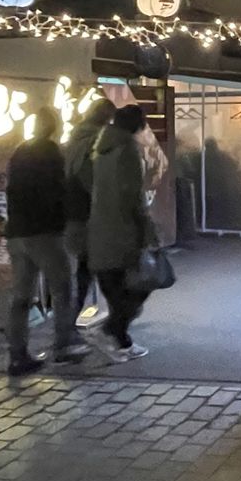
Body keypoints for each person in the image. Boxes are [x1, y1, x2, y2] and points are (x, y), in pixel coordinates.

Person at [4, 107, 89, 376]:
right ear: (54, 126)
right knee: (63, 288)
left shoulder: (19, 152)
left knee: (21, 297)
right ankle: (63, 346)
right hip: (45, 233)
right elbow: (59, 191)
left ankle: (17, 354)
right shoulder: (52, 153)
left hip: (18, 233)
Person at [87, 105, 153, 362]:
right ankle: (108, 330)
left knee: (116, 288)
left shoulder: (100, 149)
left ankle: (121, 341)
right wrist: (146, 231)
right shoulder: (127, 150)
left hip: (99, 227)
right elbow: (133, 197)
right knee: (140, 284)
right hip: (122, 229)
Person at [63, 99, 116, 327]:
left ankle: (72, 320)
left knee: (84, 267)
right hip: (89, 214)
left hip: (71, 211)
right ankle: (113, 322)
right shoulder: (96, 141)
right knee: (101, 267)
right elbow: (93, 180)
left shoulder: (74, 138)